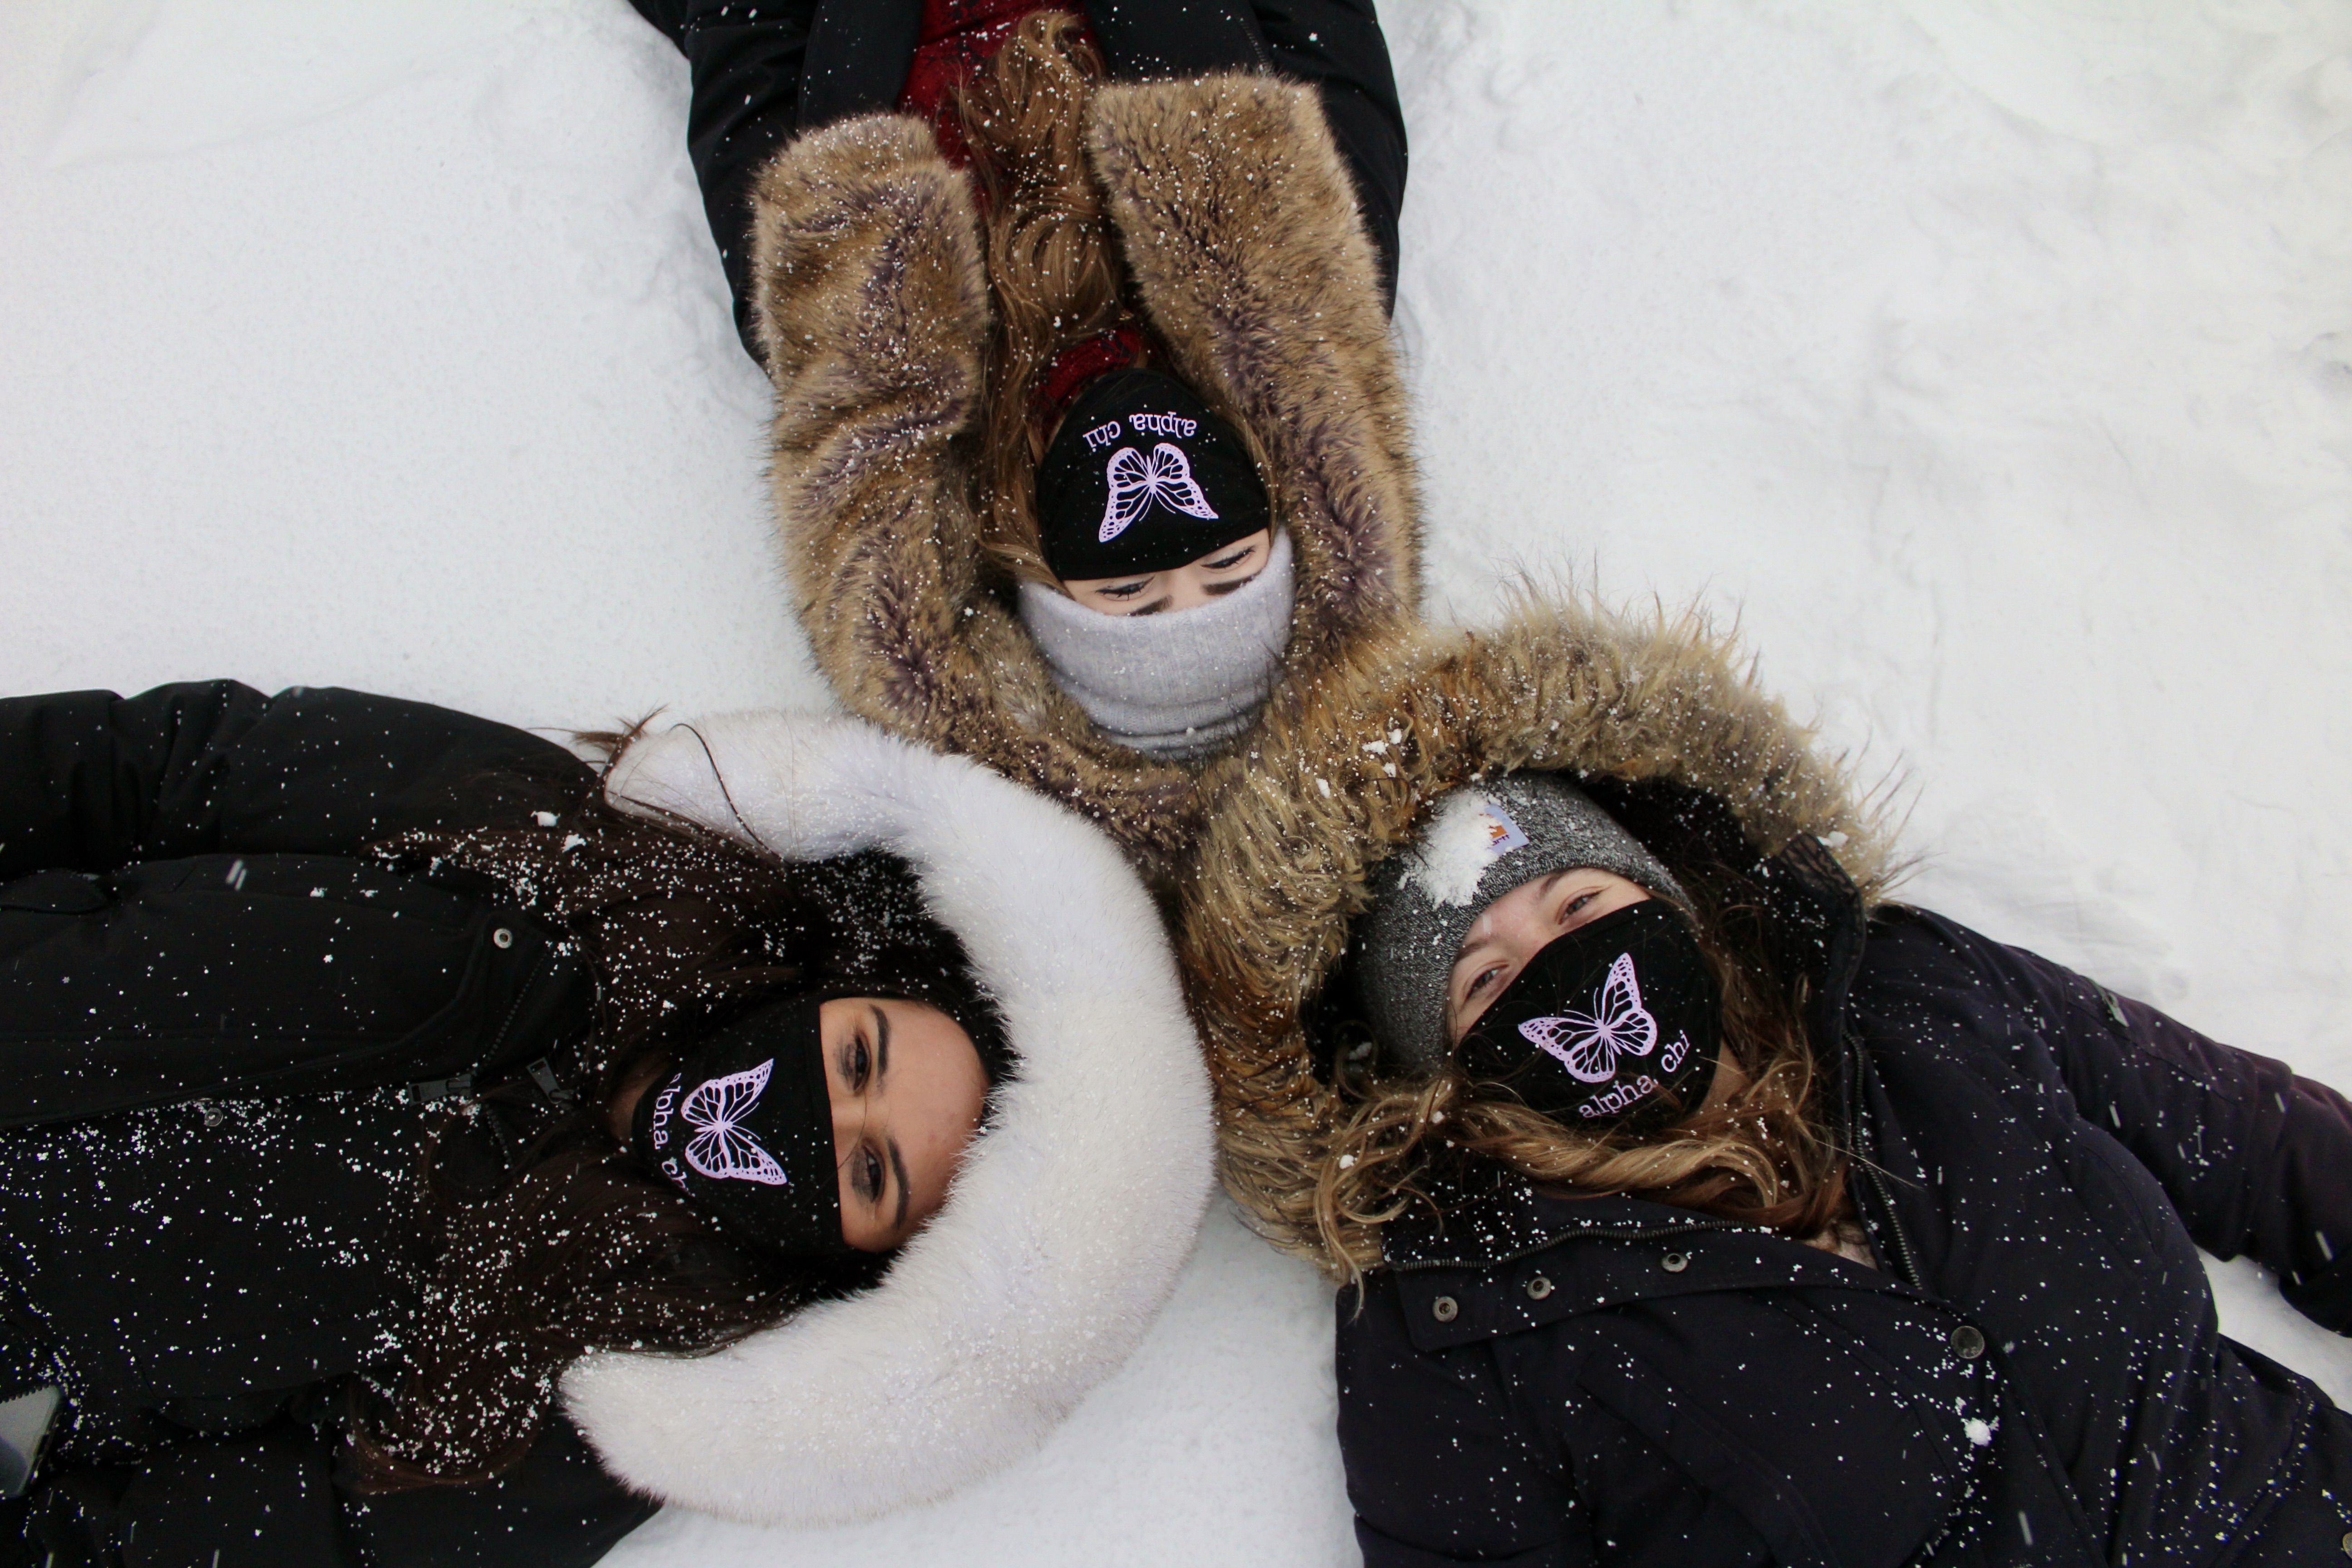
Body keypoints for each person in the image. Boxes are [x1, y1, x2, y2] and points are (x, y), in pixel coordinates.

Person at [1173, 595, 2352, 1564]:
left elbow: (2261, 1148)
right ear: (1445, 1074)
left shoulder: (1912, 992)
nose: (1562, 970)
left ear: (1669, 903)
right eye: (1485, 979)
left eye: (1581, 904)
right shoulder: (1455, 1319)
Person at [0, 681, 1213, 1563]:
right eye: (858, 1055)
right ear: (839, 985)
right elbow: (173, 767)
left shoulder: (595, 1414)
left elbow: (207, 1542)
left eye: (870, 1170)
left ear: (865, 1259)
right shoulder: (553, 848)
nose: (818, 1112)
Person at [630, 0, 1422, 880]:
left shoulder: (857, 362)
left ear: (1047, 584)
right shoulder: (1317, 275)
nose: (1172, 532)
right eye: (1230, 569)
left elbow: (749, 54)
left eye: (1133, 594)